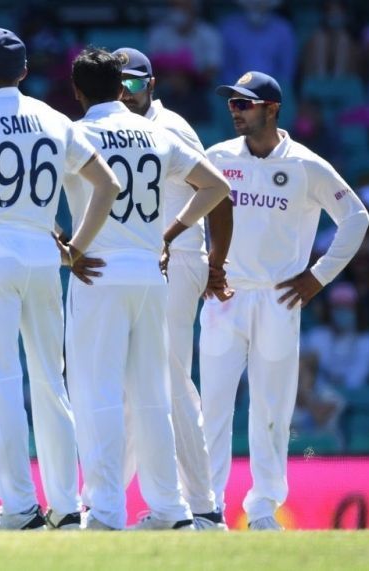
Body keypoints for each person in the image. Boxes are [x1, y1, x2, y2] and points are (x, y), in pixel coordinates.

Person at [0, 28, 121, 531]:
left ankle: (20, 508)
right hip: (41, 251)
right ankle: (66, 505)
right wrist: (76, 249)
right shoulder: (55, 119)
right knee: (52, 382)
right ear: (25, 72)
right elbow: (108, 184)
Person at [63, 48, 231, 531]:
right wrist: (165, 236)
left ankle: (107, 509)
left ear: (77, 91)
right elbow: (216, 186)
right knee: (153, 394)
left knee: (98, 392)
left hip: (97, 272)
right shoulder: (157, 132)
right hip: (150, 272)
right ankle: (171, 508)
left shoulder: (75, 133)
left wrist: (66, 247)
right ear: (121, 87)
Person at [200, 70, 369, 530]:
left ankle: (261, 510)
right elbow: (191, 215)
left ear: (272, 109)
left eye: (245, 104)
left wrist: (318, 278)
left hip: (278, 298)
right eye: (232, 103)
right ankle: (206, 507)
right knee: (212, 404)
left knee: (272, 409)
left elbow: (355, 216)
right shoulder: (217, 157)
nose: (235, 111)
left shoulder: (306, 165)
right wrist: (204, 266)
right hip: (224, 297)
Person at [113, 46, 233, 531]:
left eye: (136, 84)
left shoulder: (171, 128)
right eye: (119, 84)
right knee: (135, 382)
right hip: (145, 260)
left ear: (153, 85)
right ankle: (100, 502)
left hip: (177, 259)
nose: (127, 93)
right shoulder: (116, 129)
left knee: (171, 379)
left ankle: (203, 507)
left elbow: (218, 193)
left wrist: (214, 263)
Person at [219, 0, 296, 87]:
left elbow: (286, 72)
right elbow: (225, 70)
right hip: (235, 90)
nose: (257, 3)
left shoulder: (283, 29)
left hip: (274, 92)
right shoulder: (228, 28)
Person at [146, 0, 223, 85]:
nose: (178, 10)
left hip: (198, 88)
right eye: (174, 6)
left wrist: (188, 78)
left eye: (183, 6)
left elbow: (212, 70)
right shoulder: (158, 33)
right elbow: (151, 68)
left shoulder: (209, 34)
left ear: (194, 8)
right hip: (164, 86)